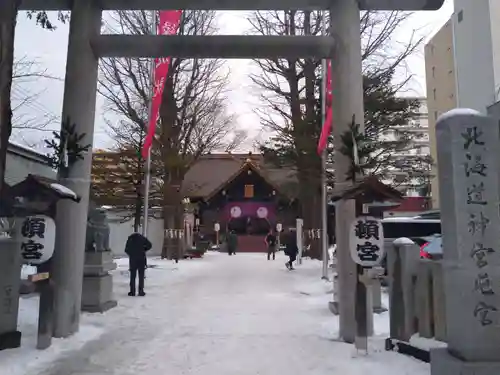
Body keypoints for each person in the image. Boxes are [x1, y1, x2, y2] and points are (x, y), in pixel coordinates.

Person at [124, 232, 152, 296]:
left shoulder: (130, 239)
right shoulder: (142, 238)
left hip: (133, 260)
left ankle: (132, 291)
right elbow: (150, 245)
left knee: (133, 276)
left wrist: (131, 254)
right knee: (141, 276)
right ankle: (141, 291)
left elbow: (126, 250)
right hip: (141, 258)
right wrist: (144, 250)